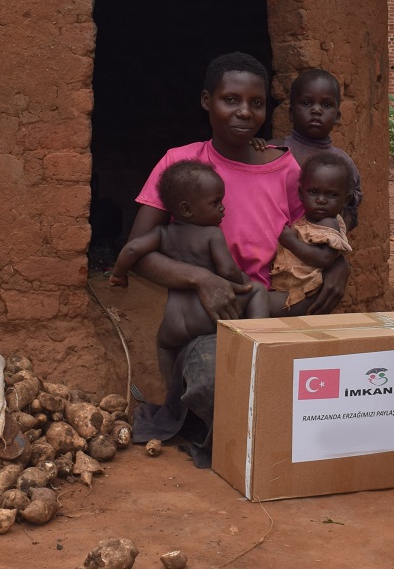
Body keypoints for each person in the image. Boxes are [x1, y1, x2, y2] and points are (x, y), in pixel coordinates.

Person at [126, 52, 351, 467]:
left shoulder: (286, 168)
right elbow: (139, 251)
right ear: (206, 101)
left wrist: (340, 264)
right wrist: (201, 279)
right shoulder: (181, 164)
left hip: (272, 310)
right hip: (209, 320)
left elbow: (316, 229)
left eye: (256, 103)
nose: (245, 112)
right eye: (230, 100)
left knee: (331, 383)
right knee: (218, 382)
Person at [109, 160, 269, 353]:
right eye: (215, 202)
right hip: (205, 316)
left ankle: (172, 374)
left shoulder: (162, 233)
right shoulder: (213, 234)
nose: (222, 208)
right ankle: (258, 347)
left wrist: (119, 274)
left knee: (163, 345)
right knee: (258, 291)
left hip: (173, 322)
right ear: (186, 209)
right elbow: (227, 270)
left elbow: (132, 249)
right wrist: (242, 281)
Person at [269, 68, 363, 231]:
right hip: (278, 238)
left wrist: (335, 236)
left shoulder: (343, 163)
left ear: (337, 117)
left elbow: (352, 209)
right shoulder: (275, 150)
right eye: (306, 103)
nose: (316, 110)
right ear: (291, 113)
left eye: (326, 105)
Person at [268, 152, 354, 316]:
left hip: (303, 295)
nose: (321, 200)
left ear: (345, 199)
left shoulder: (329, 223)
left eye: (331, 195)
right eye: (314, 192)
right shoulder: (309, 222)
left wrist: (291, 241)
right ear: (301, 194)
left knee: (256, 301)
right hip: (293, 290)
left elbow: (325, 259)